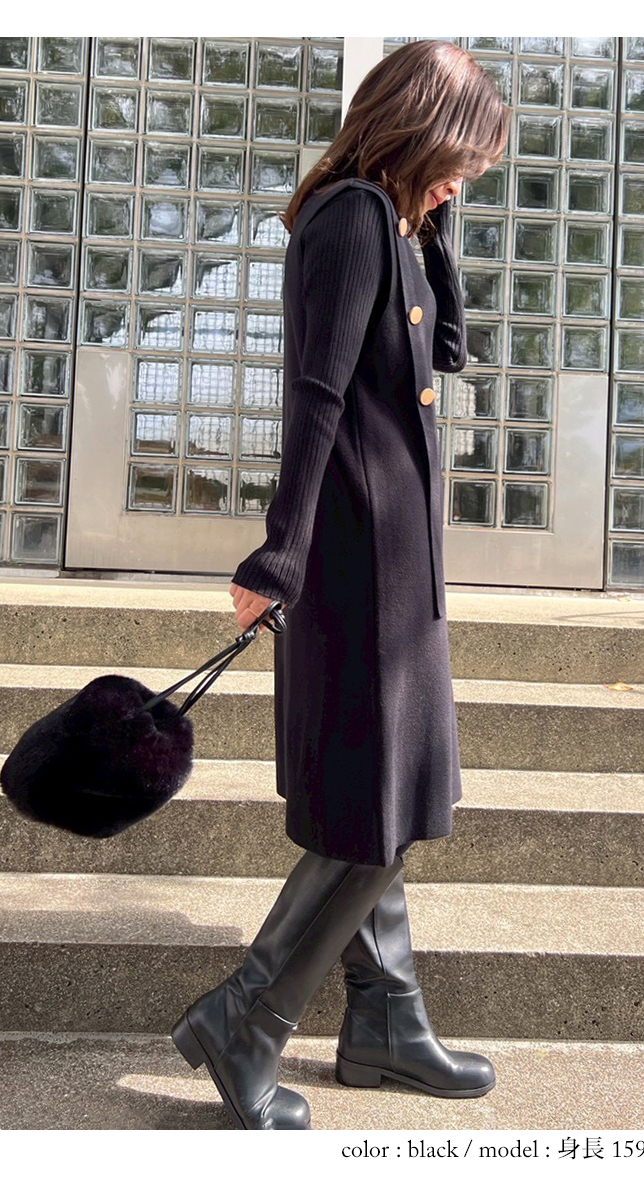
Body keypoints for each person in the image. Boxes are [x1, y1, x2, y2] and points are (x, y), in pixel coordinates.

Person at [171, 38, 511, 1130]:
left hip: (393, 562)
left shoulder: (390, 223)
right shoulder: (352, 218)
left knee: (384, 793)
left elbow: (447, 350)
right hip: (358, 561)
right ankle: (245, 1018)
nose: (462, 182)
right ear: (416, 130)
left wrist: (434, 224)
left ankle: (385, 1022)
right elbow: (315, 395)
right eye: (459, 161)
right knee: (381, 800)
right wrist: (279, 552)